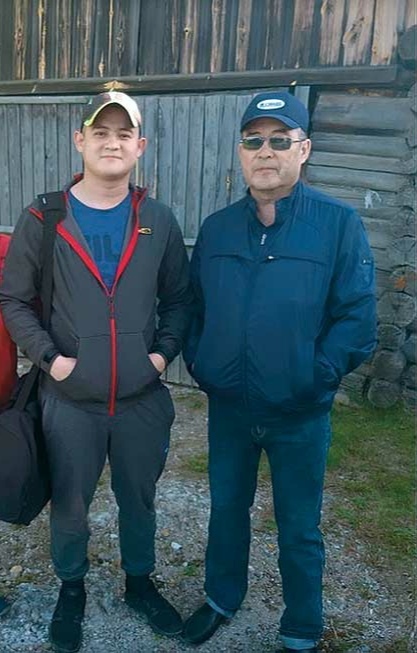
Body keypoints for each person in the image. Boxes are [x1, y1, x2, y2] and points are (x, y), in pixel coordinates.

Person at [182, 91, 376, 652]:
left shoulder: (337, 225)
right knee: (226, 510)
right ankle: (221, 598)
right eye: (253, 140)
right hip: (231, 409)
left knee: (298, 525)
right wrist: (203, 363)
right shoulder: (218, 229)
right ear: (241, 152)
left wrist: (314, 377)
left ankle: (301, 627)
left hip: (299, 413)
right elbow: (193, 307)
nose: (264, 151)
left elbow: (357, 317)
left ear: (303, 149)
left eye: (279, 139)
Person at [0, 91, 192, 653]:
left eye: (123, 133)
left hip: (140, 400)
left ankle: (139, 584)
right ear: (80, 140)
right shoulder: (45, 216)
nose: (112, 143)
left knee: (140, 501)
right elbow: (13, 300)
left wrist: (160, 356)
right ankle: (72, 589)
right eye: (100, 132)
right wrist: (51, 360)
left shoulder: (158, 219)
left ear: (141, 146)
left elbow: (180, 299)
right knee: (70, 506)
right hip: (69, 401)